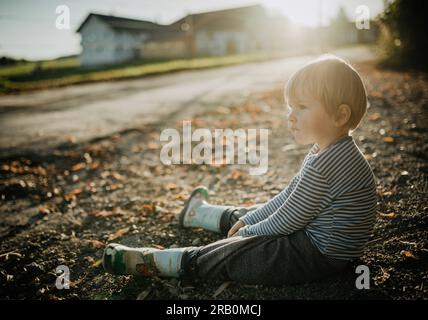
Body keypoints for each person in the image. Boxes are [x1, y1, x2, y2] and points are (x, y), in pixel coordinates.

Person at [102, 55, 377, 285]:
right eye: (290, 107)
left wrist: (245, 235)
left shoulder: (329, 164)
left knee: (240, 252)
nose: (291, 116)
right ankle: (202, 214)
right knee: (257, 212)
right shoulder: (325, 150)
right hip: (312, 236)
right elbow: (288, 196)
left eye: (302, 107)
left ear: (340, 115)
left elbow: (289, 220)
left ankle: (160, 262)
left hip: (319, 253)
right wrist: (249, 221)